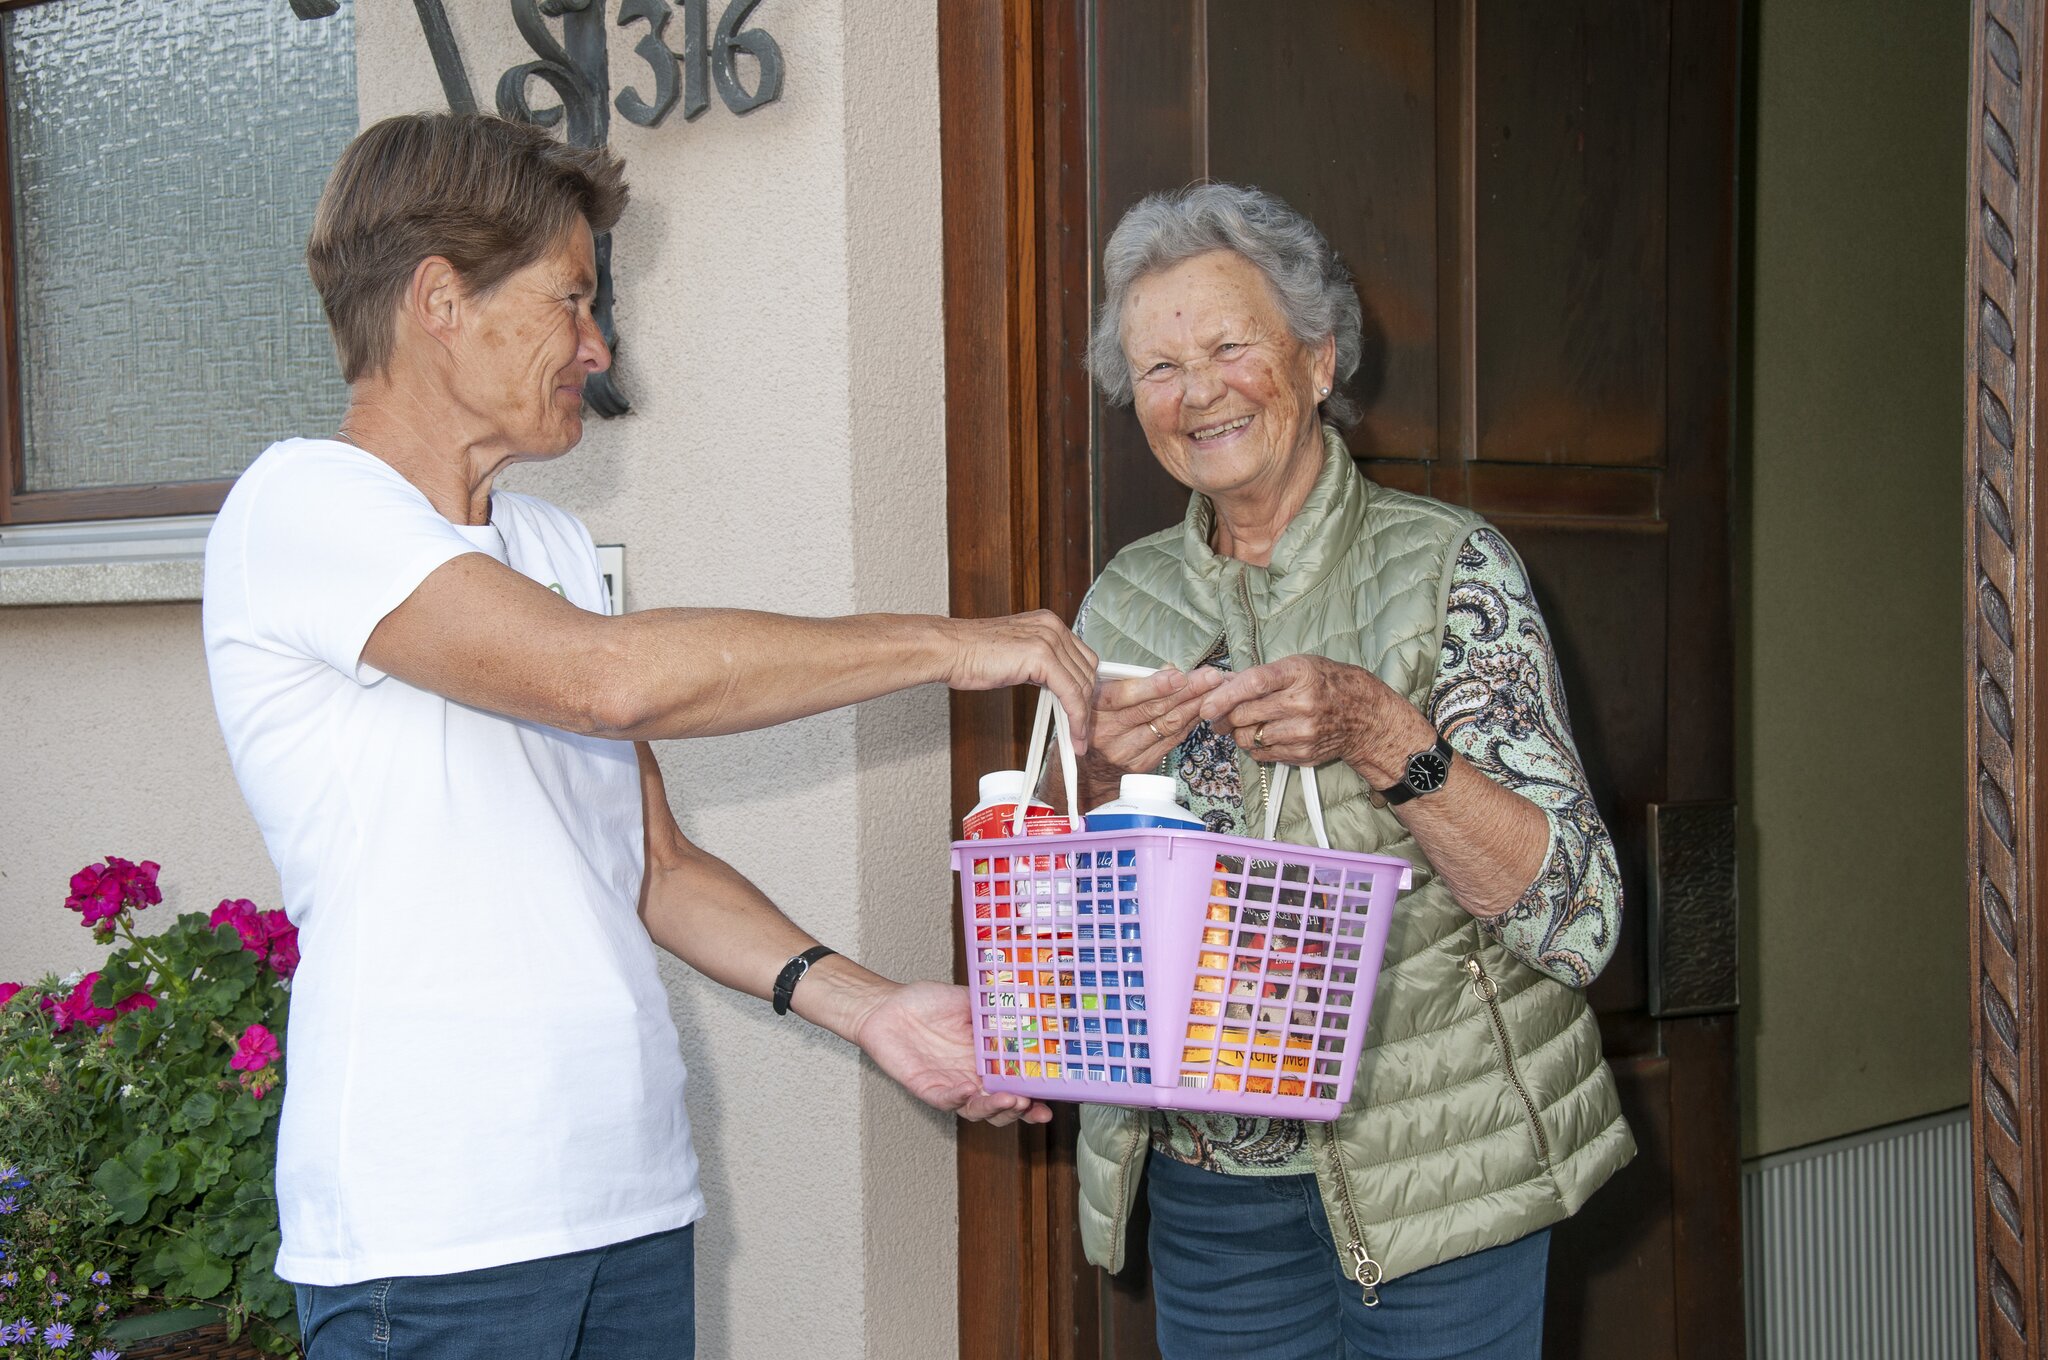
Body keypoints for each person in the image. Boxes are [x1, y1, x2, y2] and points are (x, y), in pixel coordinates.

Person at [200, 113, 1095, 1359]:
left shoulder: (551, 547)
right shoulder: (300, 506)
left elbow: (654, 867)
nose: (595, 345)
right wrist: (950, 645)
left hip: (627, 1202)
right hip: (438, 1235)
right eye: (570, 302)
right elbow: (605, 681)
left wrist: (876, 1009)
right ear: (438, 299)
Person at [1069, 183, 1634, 1360]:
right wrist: (1100, 791)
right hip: (1207, 1184)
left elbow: (1575, 919)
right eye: (1159, 367)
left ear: (1318, 360)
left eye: (1229, 345)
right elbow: (1088, 922)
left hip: (1436, 1168)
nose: (1197, 389)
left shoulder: (1449, 568)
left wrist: (1384, 733)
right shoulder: (1122, 598)